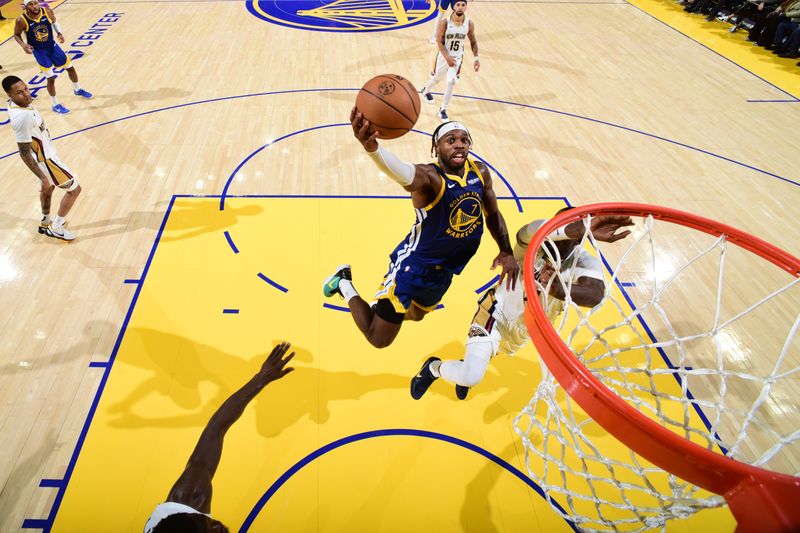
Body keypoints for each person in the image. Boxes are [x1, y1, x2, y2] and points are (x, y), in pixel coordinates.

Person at [323, 110, 519, 350]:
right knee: (378, 338)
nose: (459, 145)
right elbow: (405, 173)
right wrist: (373, 148)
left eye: (464, 140)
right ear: (436, 148)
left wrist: (506, 251)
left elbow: (493, 214)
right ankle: (343, 282)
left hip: (445, 270)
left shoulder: (480, 173)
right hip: (413, 267)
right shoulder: (430, 178)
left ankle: (385, 312)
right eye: (451, 140)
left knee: (416, 314)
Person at [409, 209, 634, 400]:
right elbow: (527, 230)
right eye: (562, 230)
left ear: (578, 240)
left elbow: (596, 293)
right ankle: (432, 368)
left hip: (524, 329)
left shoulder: (583, 261)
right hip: (494, 316)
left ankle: (468, 364)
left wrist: (557, 287)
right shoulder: (532, 244)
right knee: (471, 376)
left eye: (572, 233)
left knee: (482, 359)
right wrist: (577, 227)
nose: (562, 238)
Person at [144, 342, 295, 533]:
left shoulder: (189, 498)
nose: (216, 526)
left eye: (210, 528)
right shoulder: (190, 505)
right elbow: (216, 429)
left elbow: (216, 429)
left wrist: (261, 379)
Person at [4, 75, 81, 240]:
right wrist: (42, 176)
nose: (26, 94)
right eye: (20, 93)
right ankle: (57, 227)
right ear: (10, 96)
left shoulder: (20, 105)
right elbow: (23, 153)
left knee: (49, 189)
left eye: (26, 88)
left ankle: (45, 221)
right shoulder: (22, 118)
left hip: (42, 156)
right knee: (74, 189)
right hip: (47, 160)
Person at [13, 0, 92, 114]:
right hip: (40, 51)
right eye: (31, 4)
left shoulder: (47, 11)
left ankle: (77, 89)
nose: (34, 6)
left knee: (70, 67)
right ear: (26, 7)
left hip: (52, 46)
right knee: (51, 78)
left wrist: (59, 32)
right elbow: (16, 34)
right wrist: (23, 45)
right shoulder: (22, 20)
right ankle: (55, 105)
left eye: (35, 3)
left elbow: (54, 22)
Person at [420, 0, 479, 122]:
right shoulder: (445, 22)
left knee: (451, 81)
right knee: (437, 79)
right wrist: (447, 58)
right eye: (458, 5)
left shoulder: (469, 23)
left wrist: (476, 58)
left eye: (463, 5)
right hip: (443, 56)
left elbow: (473, 41)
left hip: (457, 58)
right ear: (453, 7)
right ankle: (425, 90)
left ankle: (443, 110)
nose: (460, 8)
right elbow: (439, 42)